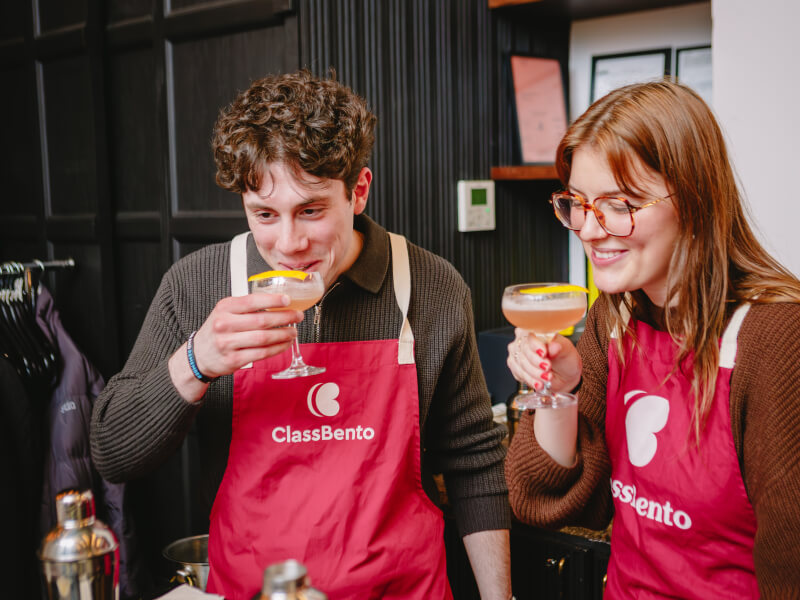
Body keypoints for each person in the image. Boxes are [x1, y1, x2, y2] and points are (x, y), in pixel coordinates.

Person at [90, 69, 511, 600]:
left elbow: (474, 459)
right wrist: (196, 360)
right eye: (264, 214)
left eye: (310, 211)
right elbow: (112, 452)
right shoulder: (197, 285)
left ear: (358, 191)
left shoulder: (432, 286)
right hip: (253, 590)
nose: (287, 243)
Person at [504, 80, 800, 598]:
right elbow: (544, 499)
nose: (591, 230)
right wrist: (562, 391)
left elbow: (790, 562)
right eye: (577, 202)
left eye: (618, 204)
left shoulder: (775, 337)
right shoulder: (612, 317)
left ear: (693, 198)